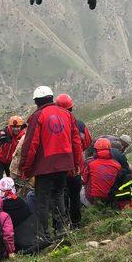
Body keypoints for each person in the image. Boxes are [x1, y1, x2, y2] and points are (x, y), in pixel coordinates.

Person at [19, 86, 83, 239]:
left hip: (45, 166)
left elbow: (30, 146)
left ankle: (44, 235)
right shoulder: (67, 115)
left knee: (42, 199)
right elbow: (76, 142)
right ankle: (61, 229)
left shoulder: (37, 116)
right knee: (58, 194)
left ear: (36, 101)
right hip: (64, 164)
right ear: (51, 97)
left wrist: (25, 169)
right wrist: (76, 163)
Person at [55, 93, 91, 228]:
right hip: (75, 166)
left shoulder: (53, 125)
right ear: (71, 108)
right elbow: (87, 142)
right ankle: (76, 223)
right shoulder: (80, 124)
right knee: (74, 195)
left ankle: (61, 226)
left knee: (60, 195)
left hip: (59, 166)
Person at [81, 138, 132, 206]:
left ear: (95, 149)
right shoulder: (117, 165)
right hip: (109, 201)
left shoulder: (90, 163)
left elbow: (84, 180)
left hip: (91, 202)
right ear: (110, 149)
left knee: (79, 185)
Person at [0, 116, 26, 180]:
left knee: (11, 180)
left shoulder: (23, 137)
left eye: (18, 127)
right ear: (10, 126)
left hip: (11, 161)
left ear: (21, 127)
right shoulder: (5, 133)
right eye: (13, 127)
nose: (15, 129)